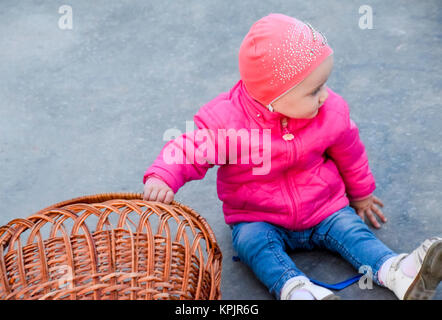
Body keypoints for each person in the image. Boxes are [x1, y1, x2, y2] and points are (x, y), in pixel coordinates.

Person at [142, 13, 441, 300]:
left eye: (324, 84)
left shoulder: (330, 111)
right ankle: (296, 289)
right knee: (252, 244)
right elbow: (190, 148)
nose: (324, 95)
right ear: (272, 97)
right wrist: (163, 175)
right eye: (314, 91)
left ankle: (397, 271)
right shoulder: (229, 123)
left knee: (352, 230)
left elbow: (351, 152)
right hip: (258, 216)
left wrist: (361, 194)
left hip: (323, 206)